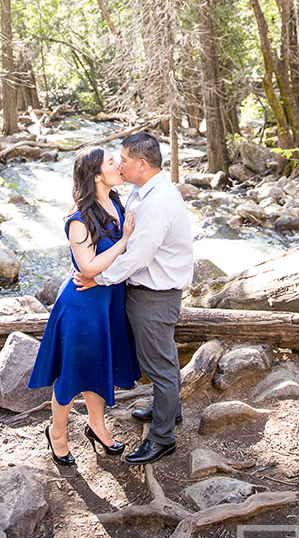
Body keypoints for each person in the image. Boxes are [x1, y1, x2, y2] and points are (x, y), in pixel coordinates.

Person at [74, 131, 193, 466]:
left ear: (142, 164)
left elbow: (138, 256)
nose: (119, 165)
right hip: (151, 292)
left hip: (155, 296)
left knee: (160, 364)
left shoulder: (156, 202)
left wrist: (98, 278)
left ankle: (162, 438)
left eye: (123, 160)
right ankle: (168, 411)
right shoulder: (147, 190)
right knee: (161, 358)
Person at [28, 146, 140, 466]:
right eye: (110, 163)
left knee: (97, 368)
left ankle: (96, 425)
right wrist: (123, 240)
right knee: (72, 375)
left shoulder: (116, 203)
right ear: (96, 176)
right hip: (81, 308)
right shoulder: (79, 219)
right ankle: (58, 434)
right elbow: (88, 268)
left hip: (107, 304)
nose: (118, 165)